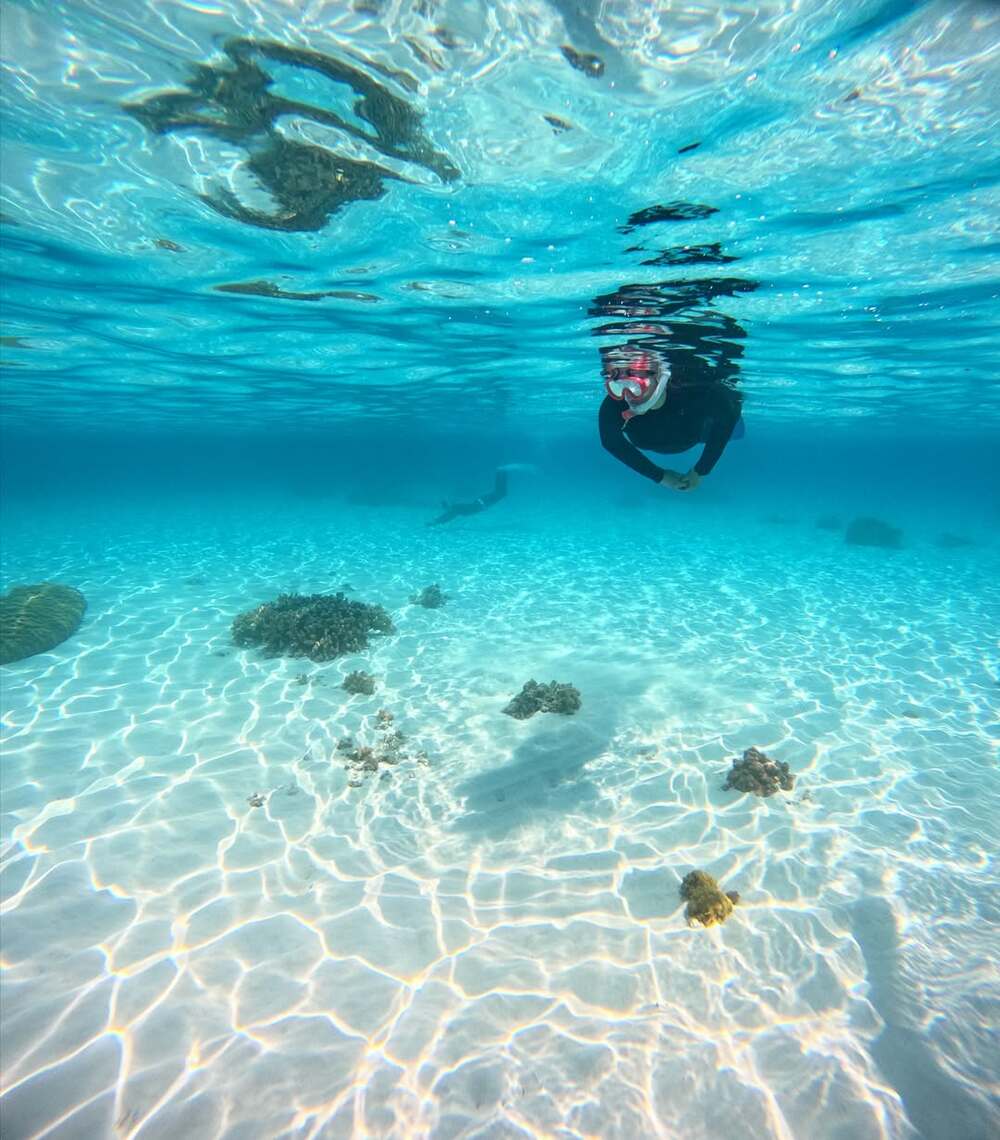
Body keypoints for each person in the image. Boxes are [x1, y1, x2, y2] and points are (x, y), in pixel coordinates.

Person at [598, 350, 742, 491]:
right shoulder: (617, 403)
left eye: (637, 386)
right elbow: (610, 441)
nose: (629, 396)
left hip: (699, 434)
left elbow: (727, 417)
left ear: (660, 378)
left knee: (733, 422)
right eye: (618, 386)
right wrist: (660, 476)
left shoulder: (695, 390)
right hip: (684, 436)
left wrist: (702, 469)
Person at [426, 468, 508, 526]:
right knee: (501, 493)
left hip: (483, 502)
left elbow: (447, 517)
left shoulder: (455, 510)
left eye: (446, 509)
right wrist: (436, 521)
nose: (446, 511)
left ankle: (501, 472)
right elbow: (447, 516)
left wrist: (435, 522)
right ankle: (501, 472)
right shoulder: (455, 508)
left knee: (501, 493)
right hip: (482, 501)